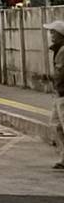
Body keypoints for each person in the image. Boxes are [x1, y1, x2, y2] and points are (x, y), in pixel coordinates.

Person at [46, 19, 64, 171]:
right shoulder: (58, 49)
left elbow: (60, 73)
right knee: (57, 125)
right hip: (59, 93)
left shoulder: (63, 51)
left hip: (63, 93)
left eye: (53, 32)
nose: (51, 34)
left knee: (60, 125)